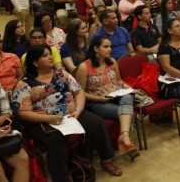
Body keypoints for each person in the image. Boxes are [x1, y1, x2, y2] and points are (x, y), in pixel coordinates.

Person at [12, 45, 123, 179]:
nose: (50, 57)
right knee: (56, 140)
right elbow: (22, 112)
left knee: (97, 123)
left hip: (70, 114)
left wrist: (78, 110)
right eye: (45, 55)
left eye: (50, 54)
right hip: (42, 121)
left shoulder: (61, 73)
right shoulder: (24, 83)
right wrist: (48, 119)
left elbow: (78, 92)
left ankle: (107, 161)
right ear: (35, 62)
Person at [75, 36, 140, 160]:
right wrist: (98, 98)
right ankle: (126, 140)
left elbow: (119, 81)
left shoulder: (112, 61)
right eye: (105, 47)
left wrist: (124, 85)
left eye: (110, 46)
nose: (109, 49)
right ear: (95, 48)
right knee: (127, 112)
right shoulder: (84, 67)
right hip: (97, 101)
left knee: (127, 97)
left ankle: (124, 138)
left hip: (116, 95)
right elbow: (80, 93)